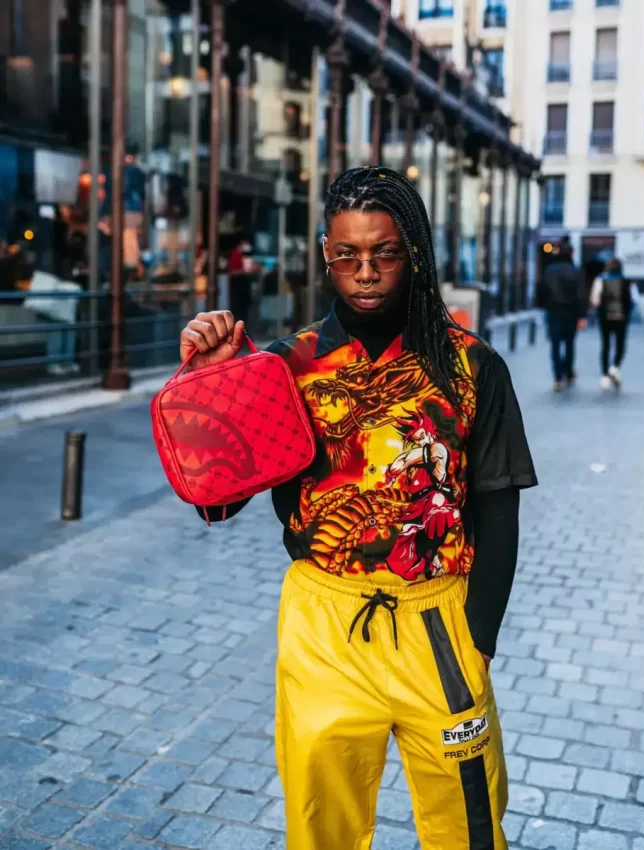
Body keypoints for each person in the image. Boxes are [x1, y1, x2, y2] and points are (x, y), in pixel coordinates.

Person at [179, 167, 538, 850]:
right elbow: (217, 504)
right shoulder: (287, 367)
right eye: (348, 254)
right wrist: (211, 386)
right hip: (324, 627)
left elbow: (499, 510)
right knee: (323, 829)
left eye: (384, 252)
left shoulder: (471, 366)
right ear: (325, 253)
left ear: (414, 252)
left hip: (439, 622)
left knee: (469, 825)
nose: (365, 271)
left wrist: (479, 641)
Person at [539, 244, 589, 392]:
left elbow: (542, 291)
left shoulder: (549, 270)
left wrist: (546, 306)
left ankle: (557, 376)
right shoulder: (576, 271)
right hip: (571, 311)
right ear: (571, 254)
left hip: (554, 310)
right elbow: (581, 295)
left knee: (554, 343)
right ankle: (568, 371)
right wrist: (582, 315)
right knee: (569, 343)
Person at [591, 257, 635, 389]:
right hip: (622, 318)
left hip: (605, 318)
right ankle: (615, 367)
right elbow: (634, 299)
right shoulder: (627, 281)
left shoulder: (600, 279)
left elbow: (595, 300)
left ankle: (604, 375)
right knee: (620, 345)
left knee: (605, 345)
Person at [227, 236, 258, 323]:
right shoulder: (235, 255)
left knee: (244, 311)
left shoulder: (244, 256)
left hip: (244, 288)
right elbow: (232, 272)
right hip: (238, 287)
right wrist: (245, 271)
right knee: (238, 312)